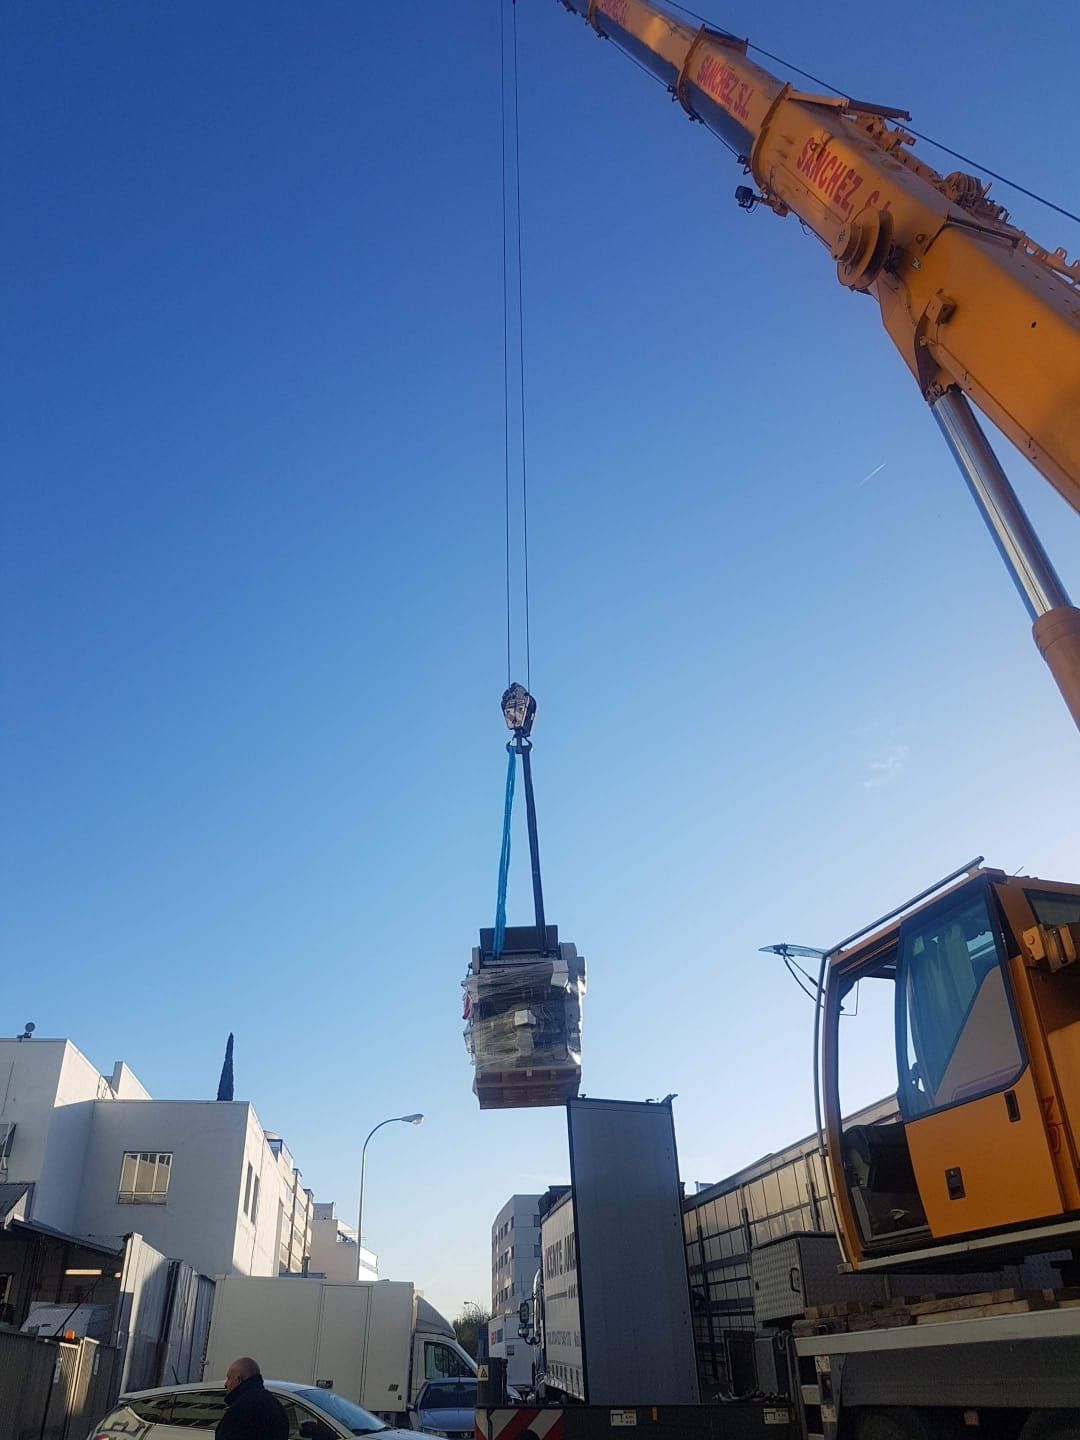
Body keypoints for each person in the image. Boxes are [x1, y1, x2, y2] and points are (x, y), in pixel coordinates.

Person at [216, 1357, 289, 1440]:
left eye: (229, 1378)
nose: (226, 1384)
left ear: (239, 1380)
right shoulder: (276, 1405)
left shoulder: (241, 1408)